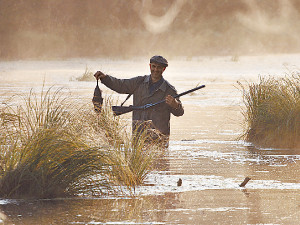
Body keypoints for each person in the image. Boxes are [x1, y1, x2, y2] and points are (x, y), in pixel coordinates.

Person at [94, 55, 184, 143]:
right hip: (138, 137)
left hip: (159, 140)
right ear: (150, 66)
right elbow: (120, 85)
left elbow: (180, 112)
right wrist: (105, 78)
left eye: (159, 67)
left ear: (163, 69)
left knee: (160, 158)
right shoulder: (138, 82)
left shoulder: (169, 90)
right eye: (153, 66)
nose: (155, 70)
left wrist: (175, 105)